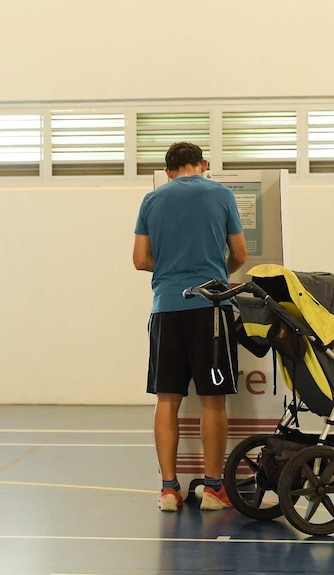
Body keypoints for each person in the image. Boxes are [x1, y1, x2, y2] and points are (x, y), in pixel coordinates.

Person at [133, 142, 247, 512]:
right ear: (204, 165)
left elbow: (139, 260)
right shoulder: (222, 194)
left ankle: (169, 489)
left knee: (167, 399)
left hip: (166, 308)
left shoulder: (152, 200)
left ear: (167, 171)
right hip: (210, 310)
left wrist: (169, 271)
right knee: (213, 401)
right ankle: (213, 488)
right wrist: (214, 276)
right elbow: (240, 254)